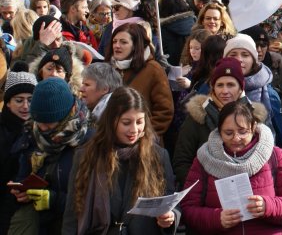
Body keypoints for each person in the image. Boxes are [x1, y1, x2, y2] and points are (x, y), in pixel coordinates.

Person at [63, 87, 177, 234]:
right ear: (112, 121)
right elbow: (72, 212)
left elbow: (170, 201)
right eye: (126, 122)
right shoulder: (87, 155)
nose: (134, 130)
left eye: (139, 122)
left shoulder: (158, 155)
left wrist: (170, 217)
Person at [181, 101, 282, 234]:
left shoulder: (275, 155)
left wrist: (268, 206)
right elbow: (188, 208)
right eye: (228, 133)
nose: (236, 138)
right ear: (219, 131)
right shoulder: (205, 159)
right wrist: (216, 218)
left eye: (242, 132)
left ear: (253, 127)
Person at [10, 78, 90, 235]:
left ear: (66, 116)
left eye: (49, 124)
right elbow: (24, 172)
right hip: (38, 224)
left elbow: (93, 201)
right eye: (39, 122)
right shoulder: (31, 131)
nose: (42, 128)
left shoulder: (88, 143)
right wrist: (22, 189)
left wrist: (53, 200)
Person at [173, 58, 268, 186]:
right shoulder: (197, 117)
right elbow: (182, 161)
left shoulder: (254, 117)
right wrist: (203, 189)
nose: (224, 91)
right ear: (213, 88)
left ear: (240, 88)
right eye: (220, 85)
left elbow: (264, 160)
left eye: (230, 85)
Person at [106, 22, 174, 136]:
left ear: (136, 45)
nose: (117, 45)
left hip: (141, 143)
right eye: (114, 41)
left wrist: (142, 135)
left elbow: (165, 111)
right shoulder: (109, 68)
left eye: (123, 42)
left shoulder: (153, 69)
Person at [224, 34, 282, 146]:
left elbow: (280, 136)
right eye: (233, 54)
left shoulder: (270, 95)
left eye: (245, 55)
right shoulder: (214, 89)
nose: (239, 59)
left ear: (253, 60)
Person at [0, 64, 37, 235]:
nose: (25, 106)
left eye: (30, 100)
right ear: (7, 103)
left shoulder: (39, 131)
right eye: (19, 100)